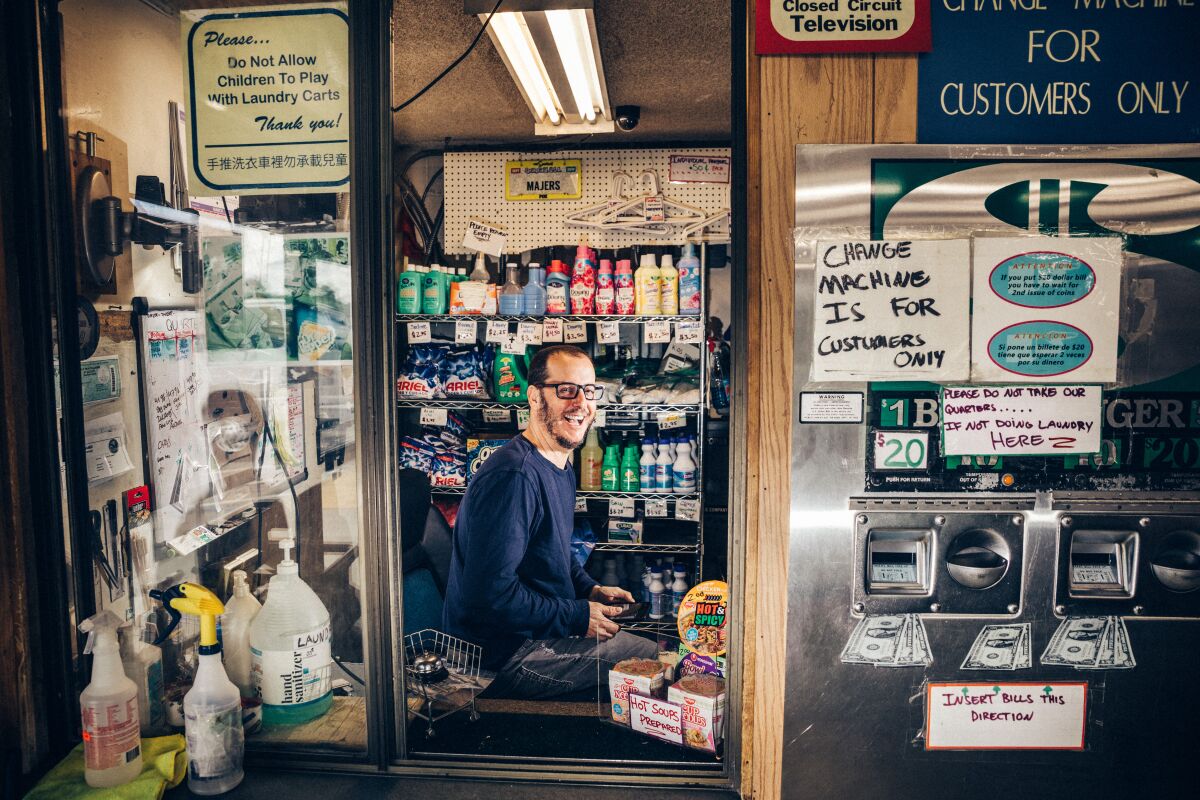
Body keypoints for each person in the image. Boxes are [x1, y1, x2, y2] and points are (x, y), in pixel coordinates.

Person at [443, 344, 657, 698]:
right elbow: (489, 597)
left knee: (641, 648)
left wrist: (589, 589)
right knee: (648, 659)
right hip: (498, 658)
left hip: (530, 637)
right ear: (534, 396)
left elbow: (552, 551)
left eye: (590, 391)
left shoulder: (559, 462)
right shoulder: (514, 477)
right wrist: (575, 616)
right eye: (566, 390)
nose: (582, 403)